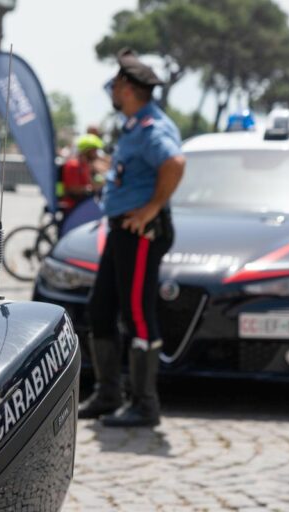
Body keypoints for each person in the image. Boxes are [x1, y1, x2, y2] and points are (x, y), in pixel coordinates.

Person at [79, 48, 186, 428]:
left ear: (126, 87)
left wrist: (151, 208)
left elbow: (174, 162)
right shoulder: (133, 125)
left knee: (138, 314)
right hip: (121, 230)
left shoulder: (151, 126)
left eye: (114, 83)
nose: (111, 89)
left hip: (140, 232)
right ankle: (109, 394)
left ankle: (145, 404)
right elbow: (138, 171)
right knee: (100, 309)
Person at [57, 134, 107, 212]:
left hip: (83, 204)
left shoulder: (85, 165)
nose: (96, 154)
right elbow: (72, 189)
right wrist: (91, 188)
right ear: (87, 151)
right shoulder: (73, 165)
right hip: (74, 207)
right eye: (94, 150)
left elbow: (90, 183)